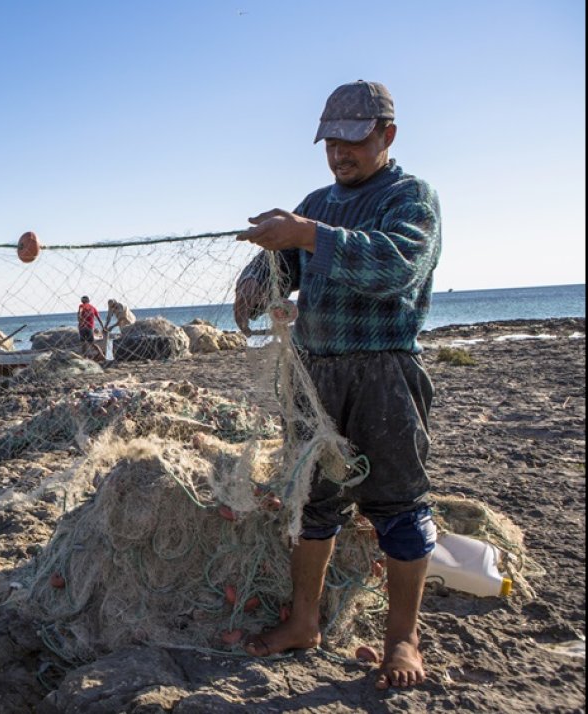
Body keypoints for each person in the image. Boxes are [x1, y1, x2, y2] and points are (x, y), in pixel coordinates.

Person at [232, 80, 441, 690]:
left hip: (384, 374)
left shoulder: (411, 196)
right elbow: (284, 265)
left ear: (387, 136)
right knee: (311, 501)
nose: (339, 154)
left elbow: (395, 265)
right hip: (314, 373)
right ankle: (304, 621)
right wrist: (258, 276)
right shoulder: (316, 200)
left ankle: (402, 638)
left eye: (354, 140)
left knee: (398, 505)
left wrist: (306, 235)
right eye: (331, 142)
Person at [76, 295, 103, 360]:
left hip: (82, 327)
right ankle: (101, 353)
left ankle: (84, 356)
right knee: (91, 343)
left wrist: (79, 320)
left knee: (83, 343)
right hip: (90, 327)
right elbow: (98, 318)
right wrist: (102, 326)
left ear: (82, 301)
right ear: (88, 301)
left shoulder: (81, 306)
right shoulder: (93, 308)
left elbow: (79, 314)